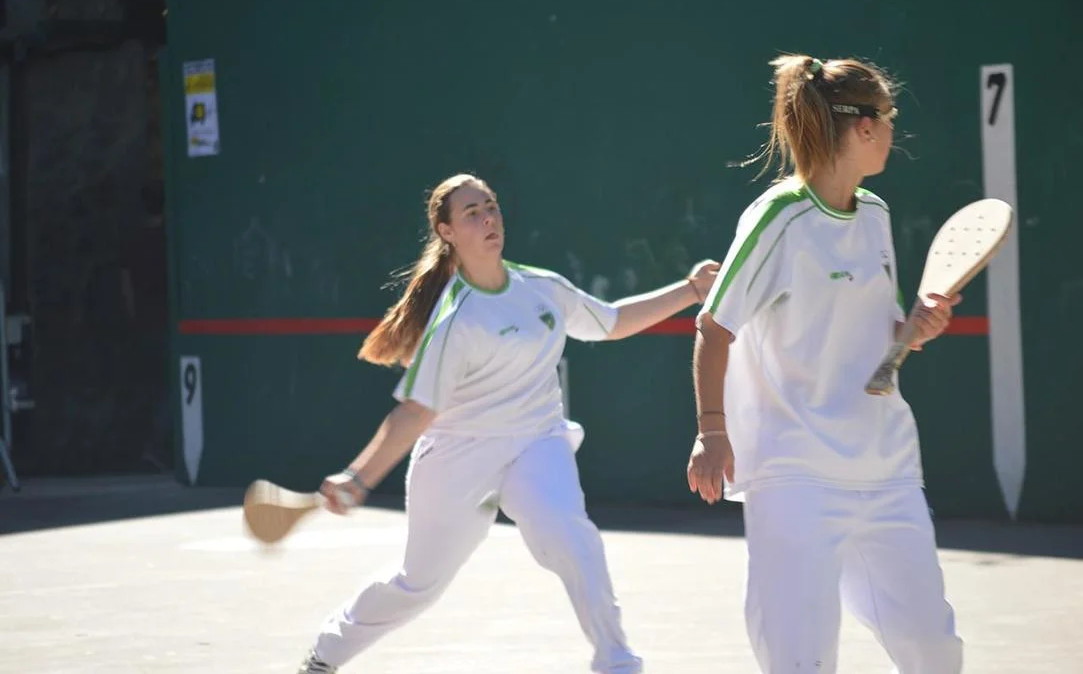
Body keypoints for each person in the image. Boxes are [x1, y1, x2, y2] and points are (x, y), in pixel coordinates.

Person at [296, 172, 721, 674]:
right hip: (458, 459)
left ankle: (617, 662)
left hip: (536, 443)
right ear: (447, 231)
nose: (488, 219)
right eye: (471, 213)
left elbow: (610, 321)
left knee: (570, 536)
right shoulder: (455, 319)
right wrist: (359, 476)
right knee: (418, 584)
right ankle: (325, 655)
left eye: (491, 206)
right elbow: (415, 411)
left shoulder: (541, 288)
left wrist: (691, 289)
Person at [686, 54, 964, 674]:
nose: (892, 130)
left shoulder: (877, 215)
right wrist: (712, 430)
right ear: (864, 126)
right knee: (799, 660)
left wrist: (914, 329)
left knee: (934, 651)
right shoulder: (779, 217)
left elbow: (881, 338)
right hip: (796, 475)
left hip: (887, 470)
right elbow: (715, 325)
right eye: (889, 117)